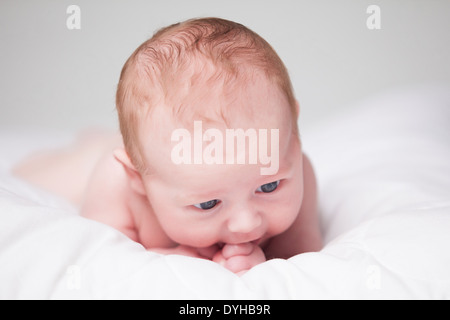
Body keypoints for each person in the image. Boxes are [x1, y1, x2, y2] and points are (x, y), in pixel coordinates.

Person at [14, 17, 322, 275]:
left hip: (160, 158)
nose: (246, 223)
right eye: (207, 204)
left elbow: (300, 257)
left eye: (269, 187)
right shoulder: (119, 185)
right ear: (138, 179)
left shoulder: (298, 169)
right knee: (43, 173)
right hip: (99, 166)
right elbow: (104, 263)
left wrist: (262, 265)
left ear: (294, 137)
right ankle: (92, 144)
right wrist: (177, 259)